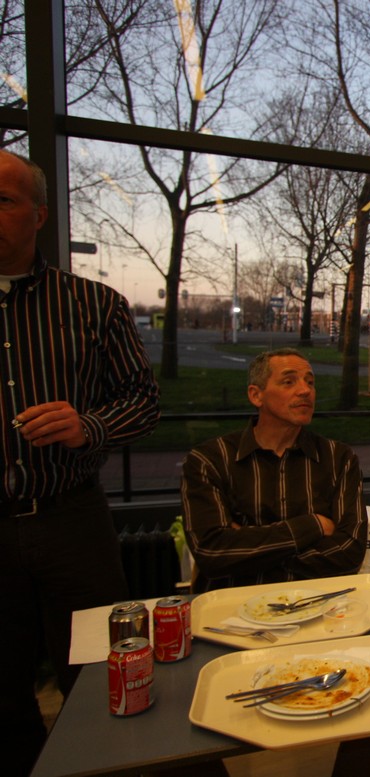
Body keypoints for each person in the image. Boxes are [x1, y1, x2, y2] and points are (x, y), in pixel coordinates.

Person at [0, 150, 161, 776]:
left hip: (71, 519)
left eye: (4, 201)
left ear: (38, 215)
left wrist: (88, 426)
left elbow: (144, 401)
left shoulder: (93, 305)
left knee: (100, 677)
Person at [181, 348, 367, 592]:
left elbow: (350, 552)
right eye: (289, 382)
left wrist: (251, 550)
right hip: (231, 608)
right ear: (256, 395)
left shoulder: (338, 458)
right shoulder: (211, 461)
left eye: (310, 382)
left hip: (318, 605)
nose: (305, 390)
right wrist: (313, 526)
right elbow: (212, 553)